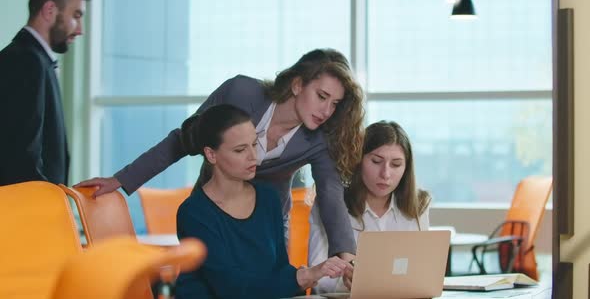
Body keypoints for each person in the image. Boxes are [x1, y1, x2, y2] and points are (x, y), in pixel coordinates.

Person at [76, 48, 365, 258]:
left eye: (335, 104)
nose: (327, 111)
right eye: (322, 96)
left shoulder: (319, 139)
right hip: (213, 212)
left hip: (269, 225)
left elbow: (330, 192)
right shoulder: (241, 93)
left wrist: (345, 254)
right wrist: (122, 180)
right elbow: (182, 141)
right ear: (297, 84)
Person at [175, 104, 351, 298]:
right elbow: (231, 289)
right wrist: (304, 276)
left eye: (254, 144)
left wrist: (309, 275)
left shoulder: (268, 198)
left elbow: (279, 272)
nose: (254, 156)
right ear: (211, 154)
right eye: (240, 150)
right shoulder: (194, 212)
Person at [307, 121, 432, 293]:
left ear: (406, 169)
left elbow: (421, 271)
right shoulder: (331, 203)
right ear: (358, 160)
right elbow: (318, 279)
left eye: (396, 164)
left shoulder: (418, 204)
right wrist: (350, 281)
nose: (385, 174)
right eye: (376, 161)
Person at [0, 0, 91, 186]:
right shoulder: (25, 61)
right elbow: (21, 159)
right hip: (29, 212)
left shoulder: (34, 60)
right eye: (76, 16)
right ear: (50, 10)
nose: (80, 30)